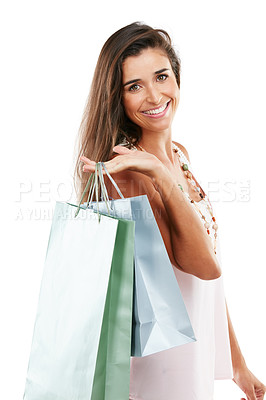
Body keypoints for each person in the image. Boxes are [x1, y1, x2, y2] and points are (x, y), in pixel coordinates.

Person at [75, 21, 265, 400]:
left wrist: (238, 366)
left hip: (190, 356)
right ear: (118, 98)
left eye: (161, 76)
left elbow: (210, 281)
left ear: (176, 77)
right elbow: (202, 267)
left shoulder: (179, 156)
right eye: (134, 86)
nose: (154, 95)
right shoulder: (129, 176)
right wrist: (158, 174)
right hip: (157, 369)